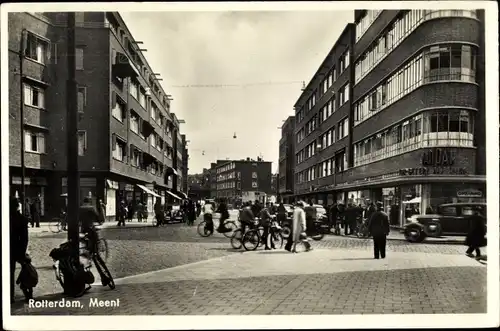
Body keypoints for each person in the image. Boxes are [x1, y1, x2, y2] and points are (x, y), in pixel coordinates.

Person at [10, 196, 29, 303]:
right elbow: (24, 239)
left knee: (10, 273)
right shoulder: (22, 219)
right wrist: (22, 253)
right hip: (17, 250)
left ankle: (10, 295)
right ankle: (25, 294)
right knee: (24, 272)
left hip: (10, 250)